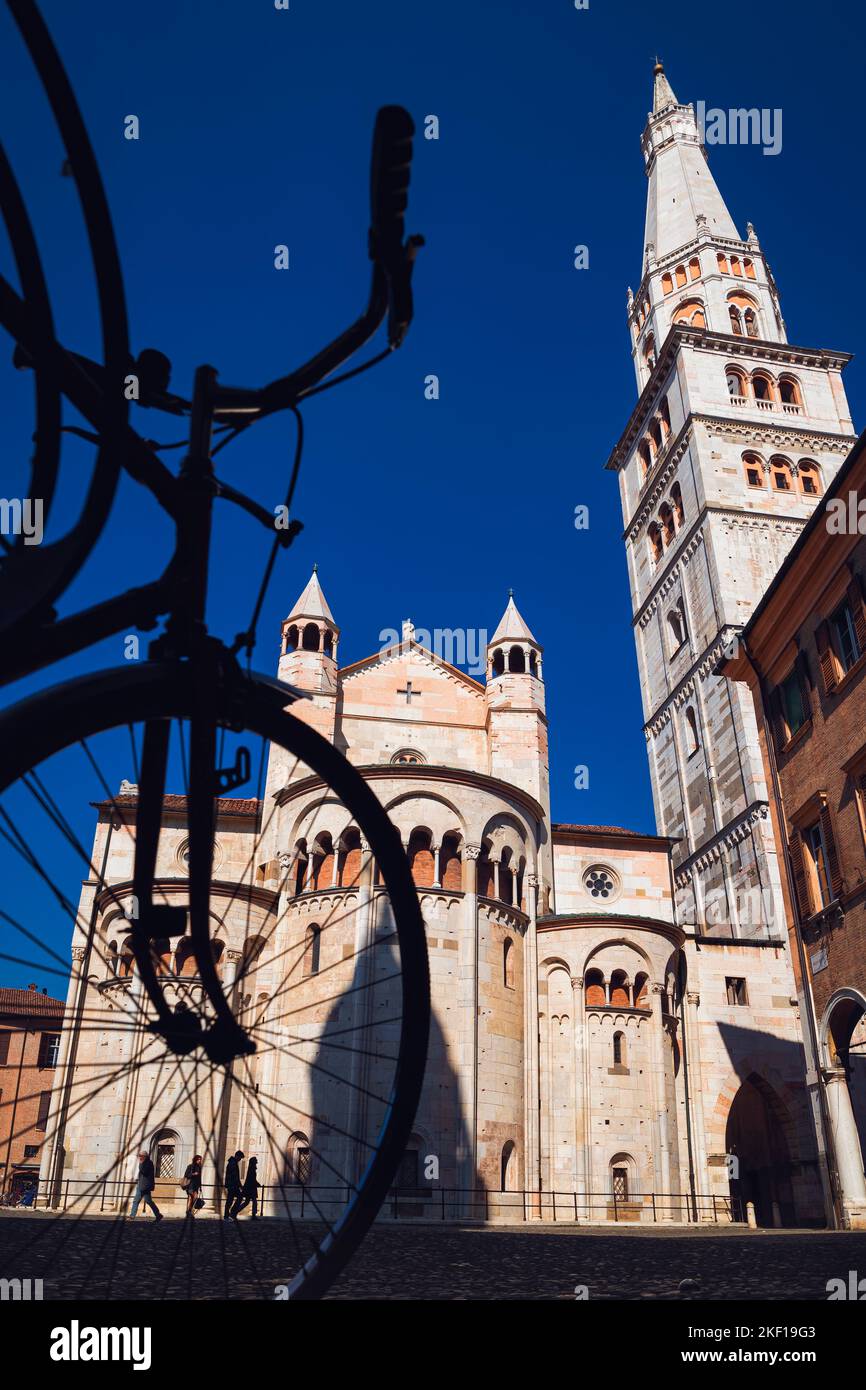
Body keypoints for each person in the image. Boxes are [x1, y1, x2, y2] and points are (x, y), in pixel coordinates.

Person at [130, 1151, 163, 1221]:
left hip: (145, 1185)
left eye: (141, 1156)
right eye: (139, 1156)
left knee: (143, 1201)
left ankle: (132, 1216)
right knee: (143, 1201)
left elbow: (144, 1171)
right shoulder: (144, 1163)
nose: (140, 1157)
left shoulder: (149, 1163)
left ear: (145, 1157)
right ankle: (158, 1215)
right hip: (141, 1184)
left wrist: (140, 1164)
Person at [224, 1149, 244, 1220]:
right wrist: (240, 1186)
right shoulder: (233, 1163)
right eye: (240, 1158)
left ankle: (229, 1214)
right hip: (232, 1185)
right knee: (231, 1200)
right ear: (237, 1156)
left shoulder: (233, 1162)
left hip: (232, 1185)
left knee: (231, 1200)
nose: (240, 1159)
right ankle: (229, 1214)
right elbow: (235, 1176)